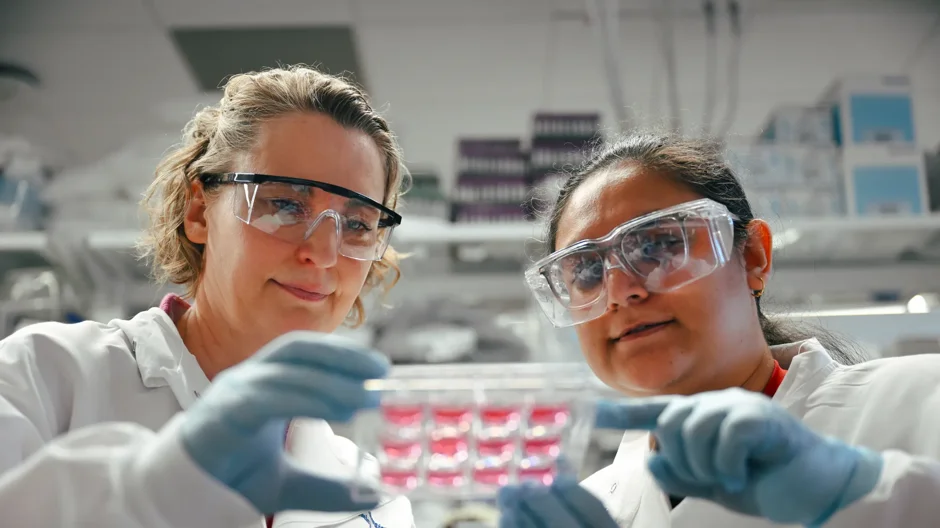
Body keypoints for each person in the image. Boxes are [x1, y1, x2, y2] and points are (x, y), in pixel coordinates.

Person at [0, 66, 415, 528]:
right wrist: (152, 493)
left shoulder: (375, 500)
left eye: (357, 224)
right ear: (199, 211)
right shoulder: (41, 378)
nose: (322, 254)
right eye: (285, 204)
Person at [498, 134, 940, 527]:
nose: (619, 292)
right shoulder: (595, 507)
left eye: (658, 245)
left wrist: (863, 494)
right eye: (587, 270)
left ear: (753, 258)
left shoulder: (921, 399)